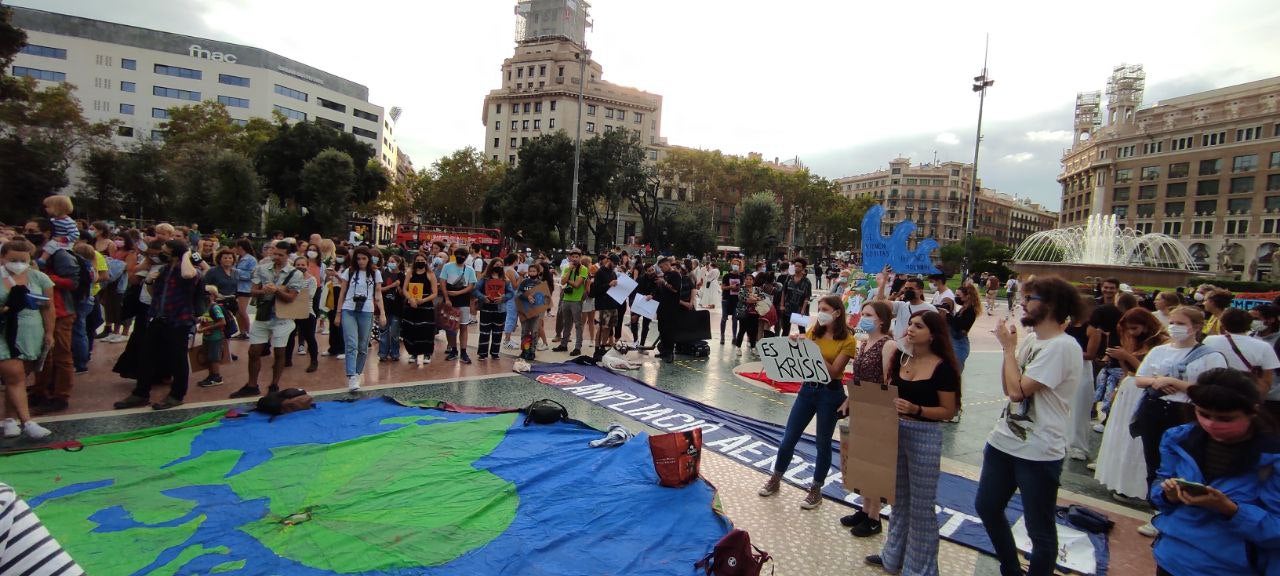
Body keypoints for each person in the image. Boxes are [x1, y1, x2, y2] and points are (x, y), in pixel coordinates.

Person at [977, 276, 1083, 576]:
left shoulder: (1063, 347)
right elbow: (1008, 386)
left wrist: (1009, 349)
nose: (1022, 303)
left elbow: (1018, 390)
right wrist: (1009, 351)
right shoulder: (1035, 340)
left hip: (1038, 449)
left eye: (1029, 298)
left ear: (1049, 305)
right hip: (1004, 441)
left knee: (1040, 527)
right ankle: (1011, 568)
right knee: (987, 506)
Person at [1150, 368, 1280, 576]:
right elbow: (1159, 485)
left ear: (1253, 411)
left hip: (1230, 567)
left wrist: (1231, 510)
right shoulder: (1177, 439)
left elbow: (1276, 530)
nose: (1211, 423)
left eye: (1225, 419)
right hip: (1172, 557)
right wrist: (1168, 494)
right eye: (1203, 414)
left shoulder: (1272, 459)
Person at [864, 311, 961, 574]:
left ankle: (920, 568)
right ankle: (893, 556)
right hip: (896, 432)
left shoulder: (943, 368)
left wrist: (916, 409)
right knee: (899, 500)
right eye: (909, 324)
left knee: (921, 507)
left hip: (925, 435)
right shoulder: (900, 358)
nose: (910, 329)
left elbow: (948, 411)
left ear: (933, 334)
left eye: (918, 326)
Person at [1132, 305, 1228, 537]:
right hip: (1155, 409)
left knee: (1185, 464)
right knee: (1154, 462)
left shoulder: (1210, 356)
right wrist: (1155, 382)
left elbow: (1217, 388)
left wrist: (1181, 385)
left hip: (1186, 411)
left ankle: (1186, 513)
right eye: (1172, 322)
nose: (1174, 327)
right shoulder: (1159, 351)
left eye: (1181, 323)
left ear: (1196, 327)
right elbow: (1139, 378)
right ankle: (1157, 512)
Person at [758, 295, 856, 509]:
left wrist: (814, 350)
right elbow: (803, 357)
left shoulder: (847, 340)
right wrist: (797, 343)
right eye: (818, 308)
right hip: (807, 389)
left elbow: (834, 372)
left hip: (830, 394)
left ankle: (816, 489)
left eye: (825, 308)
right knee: (789, 437)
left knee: (823, 443)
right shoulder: (815, 330)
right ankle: (776, 477)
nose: (820, 312)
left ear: (837, 312)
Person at [112, 239, 201, 410]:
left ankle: (176, 395)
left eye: (166, 250)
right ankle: (140, 393)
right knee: (146, 356)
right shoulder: (164, 270)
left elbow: (188, 275)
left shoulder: (189, 270)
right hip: (158, 318)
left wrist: (186, 255)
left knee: (178, 359)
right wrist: (150, 282)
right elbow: (155, 294)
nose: (162, 252)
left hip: (179, 320)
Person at [841, 300, 898, 537]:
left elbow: (890, 382)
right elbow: (857, 378)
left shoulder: (889, 345)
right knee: (862, 460)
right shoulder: (863, 345)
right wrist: (849, 401)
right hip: (862, 408)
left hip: (880, 411)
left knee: (876, 464)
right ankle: (864, 509)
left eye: (868, 314)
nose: (863, 317)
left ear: (881, 320)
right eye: (862, 313)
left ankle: (875, 516)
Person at [228, 242, 306, 399]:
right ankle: (251, 385)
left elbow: (292, 297)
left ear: (288, 256)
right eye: (274, 253)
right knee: (254, 351)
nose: (276, 257)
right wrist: (263, 290)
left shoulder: (295, 273)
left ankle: (274, 384)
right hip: (263, 315)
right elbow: (252, 290)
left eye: (280, 255)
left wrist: (276, 290)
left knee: (279, 352)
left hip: (282, 318)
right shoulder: (262, 268)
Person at [23, 219, 80, 415]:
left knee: (61, 355)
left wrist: (43, 278)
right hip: (39, 309)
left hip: (61, 311)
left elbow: (73, 282)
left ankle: (61, 396)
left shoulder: (60, 254)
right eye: (26, 230)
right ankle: (41, 391)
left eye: (33, 230)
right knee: (43, 355)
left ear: (47, 232)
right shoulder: (34, 252)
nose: (28, 233)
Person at [0, 240, 54, 439]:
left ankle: (8, 419)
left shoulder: (39, 278)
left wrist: (49, 333)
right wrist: (8, 308)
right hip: (4, 333)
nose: (18, 263)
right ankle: (28, 422)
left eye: (23, 260)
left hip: (32, 333)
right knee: (15, 376)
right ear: (3, 258)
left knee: (17, 380)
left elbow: (49, 309)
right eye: (13, 259)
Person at [335, 247, 384, 391]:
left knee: (363, 346)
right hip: (349, 309)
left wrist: (382, 313)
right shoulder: (349, 272)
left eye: (364, 258)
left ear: (369, 259)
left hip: (366, 310)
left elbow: (378, 294)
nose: (361, 261)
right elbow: (342, 293)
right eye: (358, 258)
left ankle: (357, 373)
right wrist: (338, 313)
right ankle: (351, 376)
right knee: (351, 344)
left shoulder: (375, 273)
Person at [1204, 307, 1279, 398]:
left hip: (1217, 394)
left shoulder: (1209, 341)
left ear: (1222, 324)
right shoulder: (1264, 346)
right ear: (1248, 323)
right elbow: (1267, 381)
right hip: (1248, 395)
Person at [875, 273, 937, 351]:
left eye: (911, 289)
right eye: (906, 289)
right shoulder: (901, 306)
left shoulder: (930, 309)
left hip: (918, 350)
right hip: (899, 348)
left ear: (920, 291)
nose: (907, 291)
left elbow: (935, 332)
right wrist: (884, 280)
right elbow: (880, 302)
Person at [438, 247, 476, 364]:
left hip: (463, 301)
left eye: (463, 255)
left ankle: (463, 352)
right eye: (458, 254)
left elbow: (471, 285)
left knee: (464, 326)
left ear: (466, 257)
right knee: (451, 327)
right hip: (450, 301)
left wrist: (458, 293)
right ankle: (453, 350)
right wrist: (447, 298)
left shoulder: (469, 269)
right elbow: (443, 283)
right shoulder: (447, 266)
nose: (461, 257)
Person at [282, 255, 320, 373]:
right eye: (298, 265)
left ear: (307, 266)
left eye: (303, 265)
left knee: (309, 337)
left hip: (306, 311)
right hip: (292, 312)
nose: (300, 267)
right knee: (289, 336)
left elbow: (309, 296)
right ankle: (287, 360)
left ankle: (314, 361)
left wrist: (292, 295)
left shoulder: (311, 280)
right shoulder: (289, 279)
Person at [400, 252, 438, 365]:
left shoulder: (430, 274)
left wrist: (423, 300)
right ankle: (413, 352)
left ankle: (427, 353)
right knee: (411, 329)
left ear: (426, 261)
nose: (420, 262)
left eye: (422, 260)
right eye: (418, 260)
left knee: (425, 329)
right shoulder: (410, 273)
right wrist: (410, 299)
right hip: (412, 304)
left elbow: (434, 293)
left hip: (425, 305)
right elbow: (404, 289)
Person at [475, 258, 514, 360]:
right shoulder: (484, 279)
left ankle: (495, 353)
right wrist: (483, 297)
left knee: (498, 332)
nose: (499, 267)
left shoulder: (505, 280)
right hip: (486, 308)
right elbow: (475, 290)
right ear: (491, 266)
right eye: (496, 265)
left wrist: (503, 298)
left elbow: (511, 293)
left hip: (500, 309)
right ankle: (482, 354)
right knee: (484, 332)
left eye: (501, 265)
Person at [553, 249, 589, 356]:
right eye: (572, 257)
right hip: (566, 299)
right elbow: (562, 282)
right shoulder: (567, 268)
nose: (574, 259)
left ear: (580, 257)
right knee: (566, 323)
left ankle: (578, 347)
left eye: (576, 257)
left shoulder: (583, 269)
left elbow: (577, 284)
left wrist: (568, 280)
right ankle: (564, 344)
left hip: (577, 300)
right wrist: (569, 271)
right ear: (570, 257)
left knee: (578, 324)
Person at [194, 285, 228, 388]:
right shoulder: (205, 307)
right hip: (207, 337)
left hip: (215, 337)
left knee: (213, 357)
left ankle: (216, 377)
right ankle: (211, 376)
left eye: (206, 294)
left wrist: (205, 329)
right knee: (208, 357)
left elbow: (222, 322)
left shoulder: (215, 307)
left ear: (213, 296)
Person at [588, 254, 620, 358]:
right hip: (603, 303)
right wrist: (609, 284)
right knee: (602, 327)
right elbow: (596, 289)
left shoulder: (613, 273)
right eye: (614, 263)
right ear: (608, 261)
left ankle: (603, 346)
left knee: (609, 327)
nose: (615, 266)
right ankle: (597, 349)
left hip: (612, 303)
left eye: (616, 264)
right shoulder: (600, 272)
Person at [652, 257, 682, 363]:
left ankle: (670, 353)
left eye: (662, 267)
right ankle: (664, 351)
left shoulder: (676, 275)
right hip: (662, 307)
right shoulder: (665, 275)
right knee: (662, 330)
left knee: (669, 331)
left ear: (667, 264)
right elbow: (662, 290)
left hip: (671, 308)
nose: (661, 269)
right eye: (659, 267)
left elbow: (675, 289)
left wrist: (663, 283)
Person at [377, 255, 404, 363]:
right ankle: (383, 353)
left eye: (393, 261)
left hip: (396, 308)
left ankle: (395, 353)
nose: (390, 263)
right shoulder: (384, 274)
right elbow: (380, 289)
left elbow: (403, 294)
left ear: (398, 263)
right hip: (385, 306)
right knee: (383, 331)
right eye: (389, 261)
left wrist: (398, 286)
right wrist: (392, 285)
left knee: (394, 332)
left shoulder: (401, 275)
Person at [777, 258, 813, 336]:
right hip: (788, 307)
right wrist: (782, 305)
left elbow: (807, 297)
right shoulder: (789, 278)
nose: (796, 268)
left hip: (800, 309)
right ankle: (784, 345)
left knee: (801, 330)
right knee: (785, 329)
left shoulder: (807, 281)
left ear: (803, 268)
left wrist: (803, 309)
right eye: (795, 266)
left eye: (799, 266)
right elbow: (784, 291)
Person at [949, 283, 981, 370]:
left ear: (967, 296)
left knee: (955, 373)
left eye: (958, 295)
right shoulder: (964, 309)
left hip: (959, 344)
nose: (956, 297)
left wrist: (948, 316)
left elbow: (959, 326)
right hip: (954, 342)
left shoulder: (970, 311)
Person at [231, 239, 257, 339]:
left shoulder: (251, 259)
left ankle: (247, 331)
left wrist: (236, 272)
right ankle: (241, 331)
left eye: (236, 247)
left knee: (242, 310)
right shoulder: (239, 258)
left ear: (240, 247)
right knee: (237, 311)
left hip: (245, 288)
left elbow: (252, 274)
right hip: (237, 287)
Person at [720, 259, 742, 345]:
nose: (736, 266)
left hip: (736, 300)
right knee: (724, 318)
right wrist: (730, 287)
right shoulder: (726, 276)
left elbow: (743, 288)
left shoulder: (741, 277)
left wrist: (738, 288)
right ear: (732, 265)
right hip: (726, 299)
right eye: (734, 264)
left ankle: (734, 337)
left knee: (735, 319)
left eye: (738, 265)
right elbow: (722, 287)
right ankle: (722, 336)